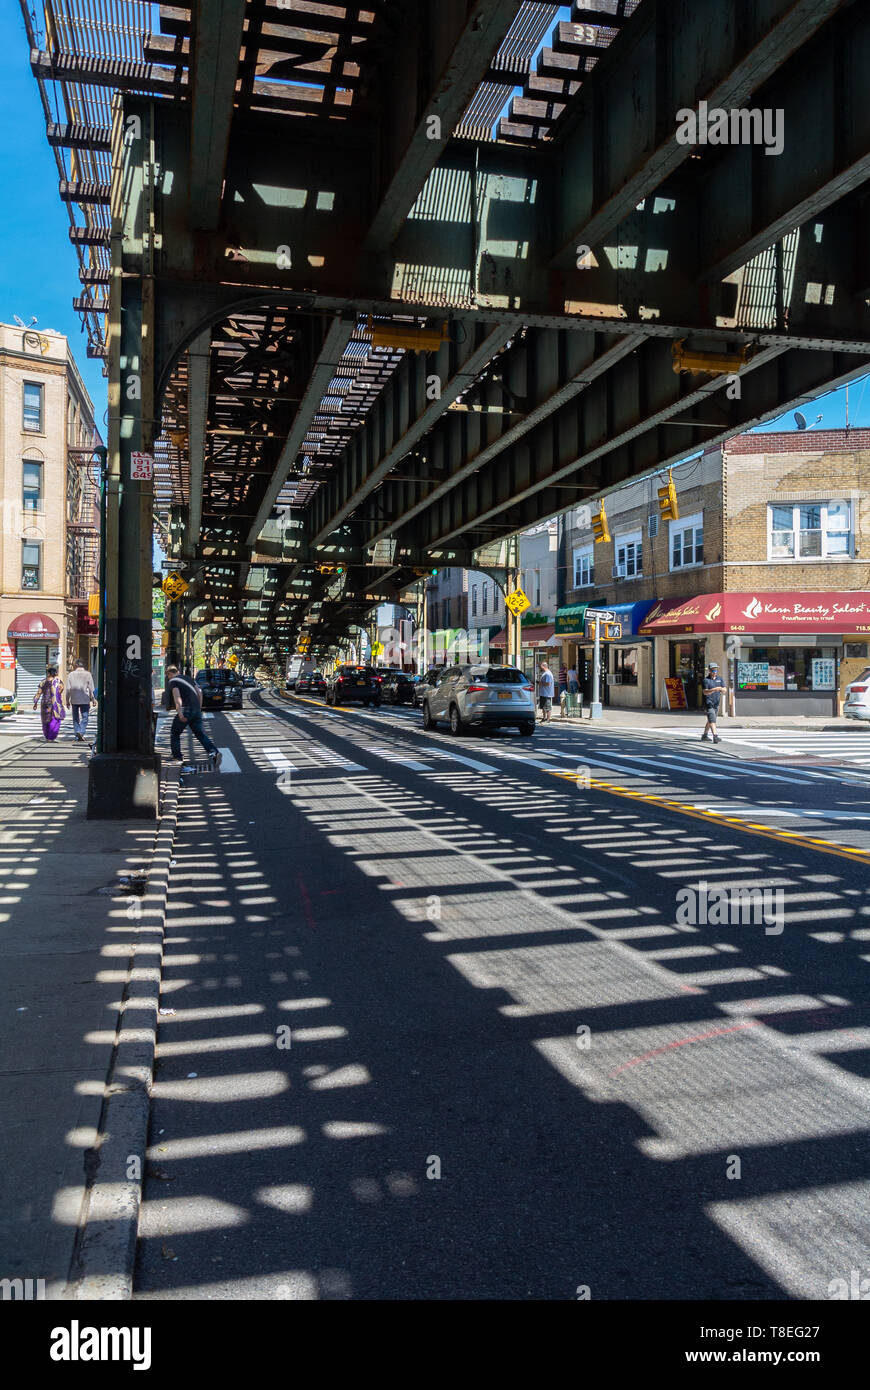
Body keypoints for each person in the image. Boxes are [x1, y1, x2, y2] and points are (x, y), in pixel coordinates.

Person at [165, 664, 221, 767]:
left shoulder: (173, 681)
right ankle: (214, 752)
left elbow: (177, 697)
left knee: (175, 732)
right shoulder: (188, 678)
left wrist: (180, 713)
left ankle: (177, 757)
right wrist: (199, 708)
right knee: (199, 733)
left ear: (169, 674)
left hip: (186, 708)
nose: (168, 678)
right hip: (196, 709)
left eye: (167, 676)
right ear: (177, 671)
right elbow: (199, 692)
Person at [65, 659, 96, 741]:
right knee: (85, 717)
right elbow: (91, 688)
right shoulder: (88, 674)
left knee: (75, 718)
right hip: (85, 699)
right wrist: (93, 699)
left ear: (75, 665)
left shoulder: (71, 674)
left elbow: (68, 689)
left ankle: (77, 733)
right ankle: (81, 732)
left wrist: (67, 700)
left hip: (74, 699)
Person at [33, 666, 66, 742]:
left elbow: (38, 693)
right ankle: (51, 737)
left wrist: (35, 703)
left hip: (44, 703)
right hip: (55, 704)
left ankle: (47, 737)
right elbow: (61, 689)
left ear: (48, 673)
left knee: (45, 721)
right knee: (55, 720)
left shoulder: (43, 682)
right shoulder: (58, 681)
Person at [701, 662, 727, 743]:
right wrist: (714, 689)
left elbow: (724, 690)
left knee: (710, 719)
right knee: (712, 719)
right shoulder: (706, 680)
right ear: (709, 671)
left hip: (716, 703)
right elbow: (705, 692)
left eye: (715, 670)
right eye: (713, 670)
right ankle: (715, 736)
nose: (714, 672)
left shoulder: (720, 679)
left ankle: (704, 735)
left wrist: (722, 689)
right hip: (709, 703)